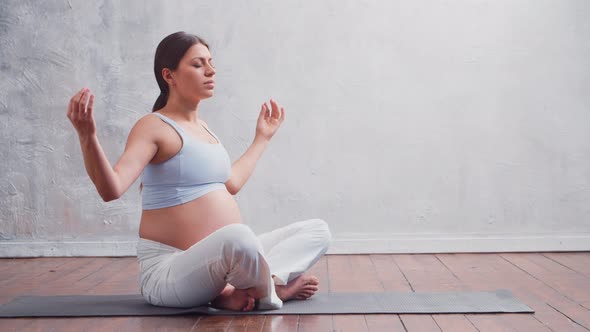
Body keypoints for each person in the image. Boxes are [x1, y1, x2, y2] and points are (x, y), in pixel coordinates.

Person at [66, 31, 331, 311]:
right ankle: (271, 292)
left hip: (220, 262)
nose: (210, 70)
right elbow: (112, 189)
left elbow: (231, 183)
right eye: (198, 64)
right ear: (169, 75)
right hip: (170, 271)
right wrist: (87, 137)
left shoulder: (204, 129)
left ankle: (255, 287)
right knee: (239, 237)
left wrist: (262, 138)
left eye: (211, 62)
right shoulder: (153, 125)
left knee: (317, 231)